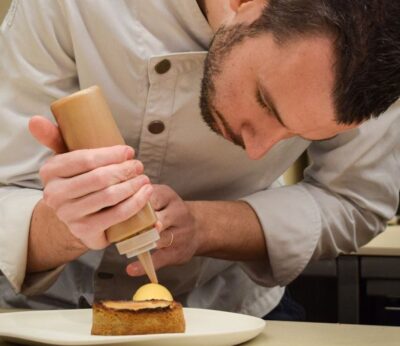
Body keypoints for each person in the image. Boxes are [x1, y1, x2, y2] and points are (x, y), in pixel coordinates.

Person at [0, 0, 399, 321]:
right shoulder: (74, 8)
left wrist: (204, 227)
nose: (258, 151)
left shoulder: (378, 47)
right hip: (42, 312)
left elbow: (355, 199)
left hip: (227, 308)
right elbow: (6, 192)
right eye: (264, 101)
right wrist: (72, 226)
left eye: (300, 135)